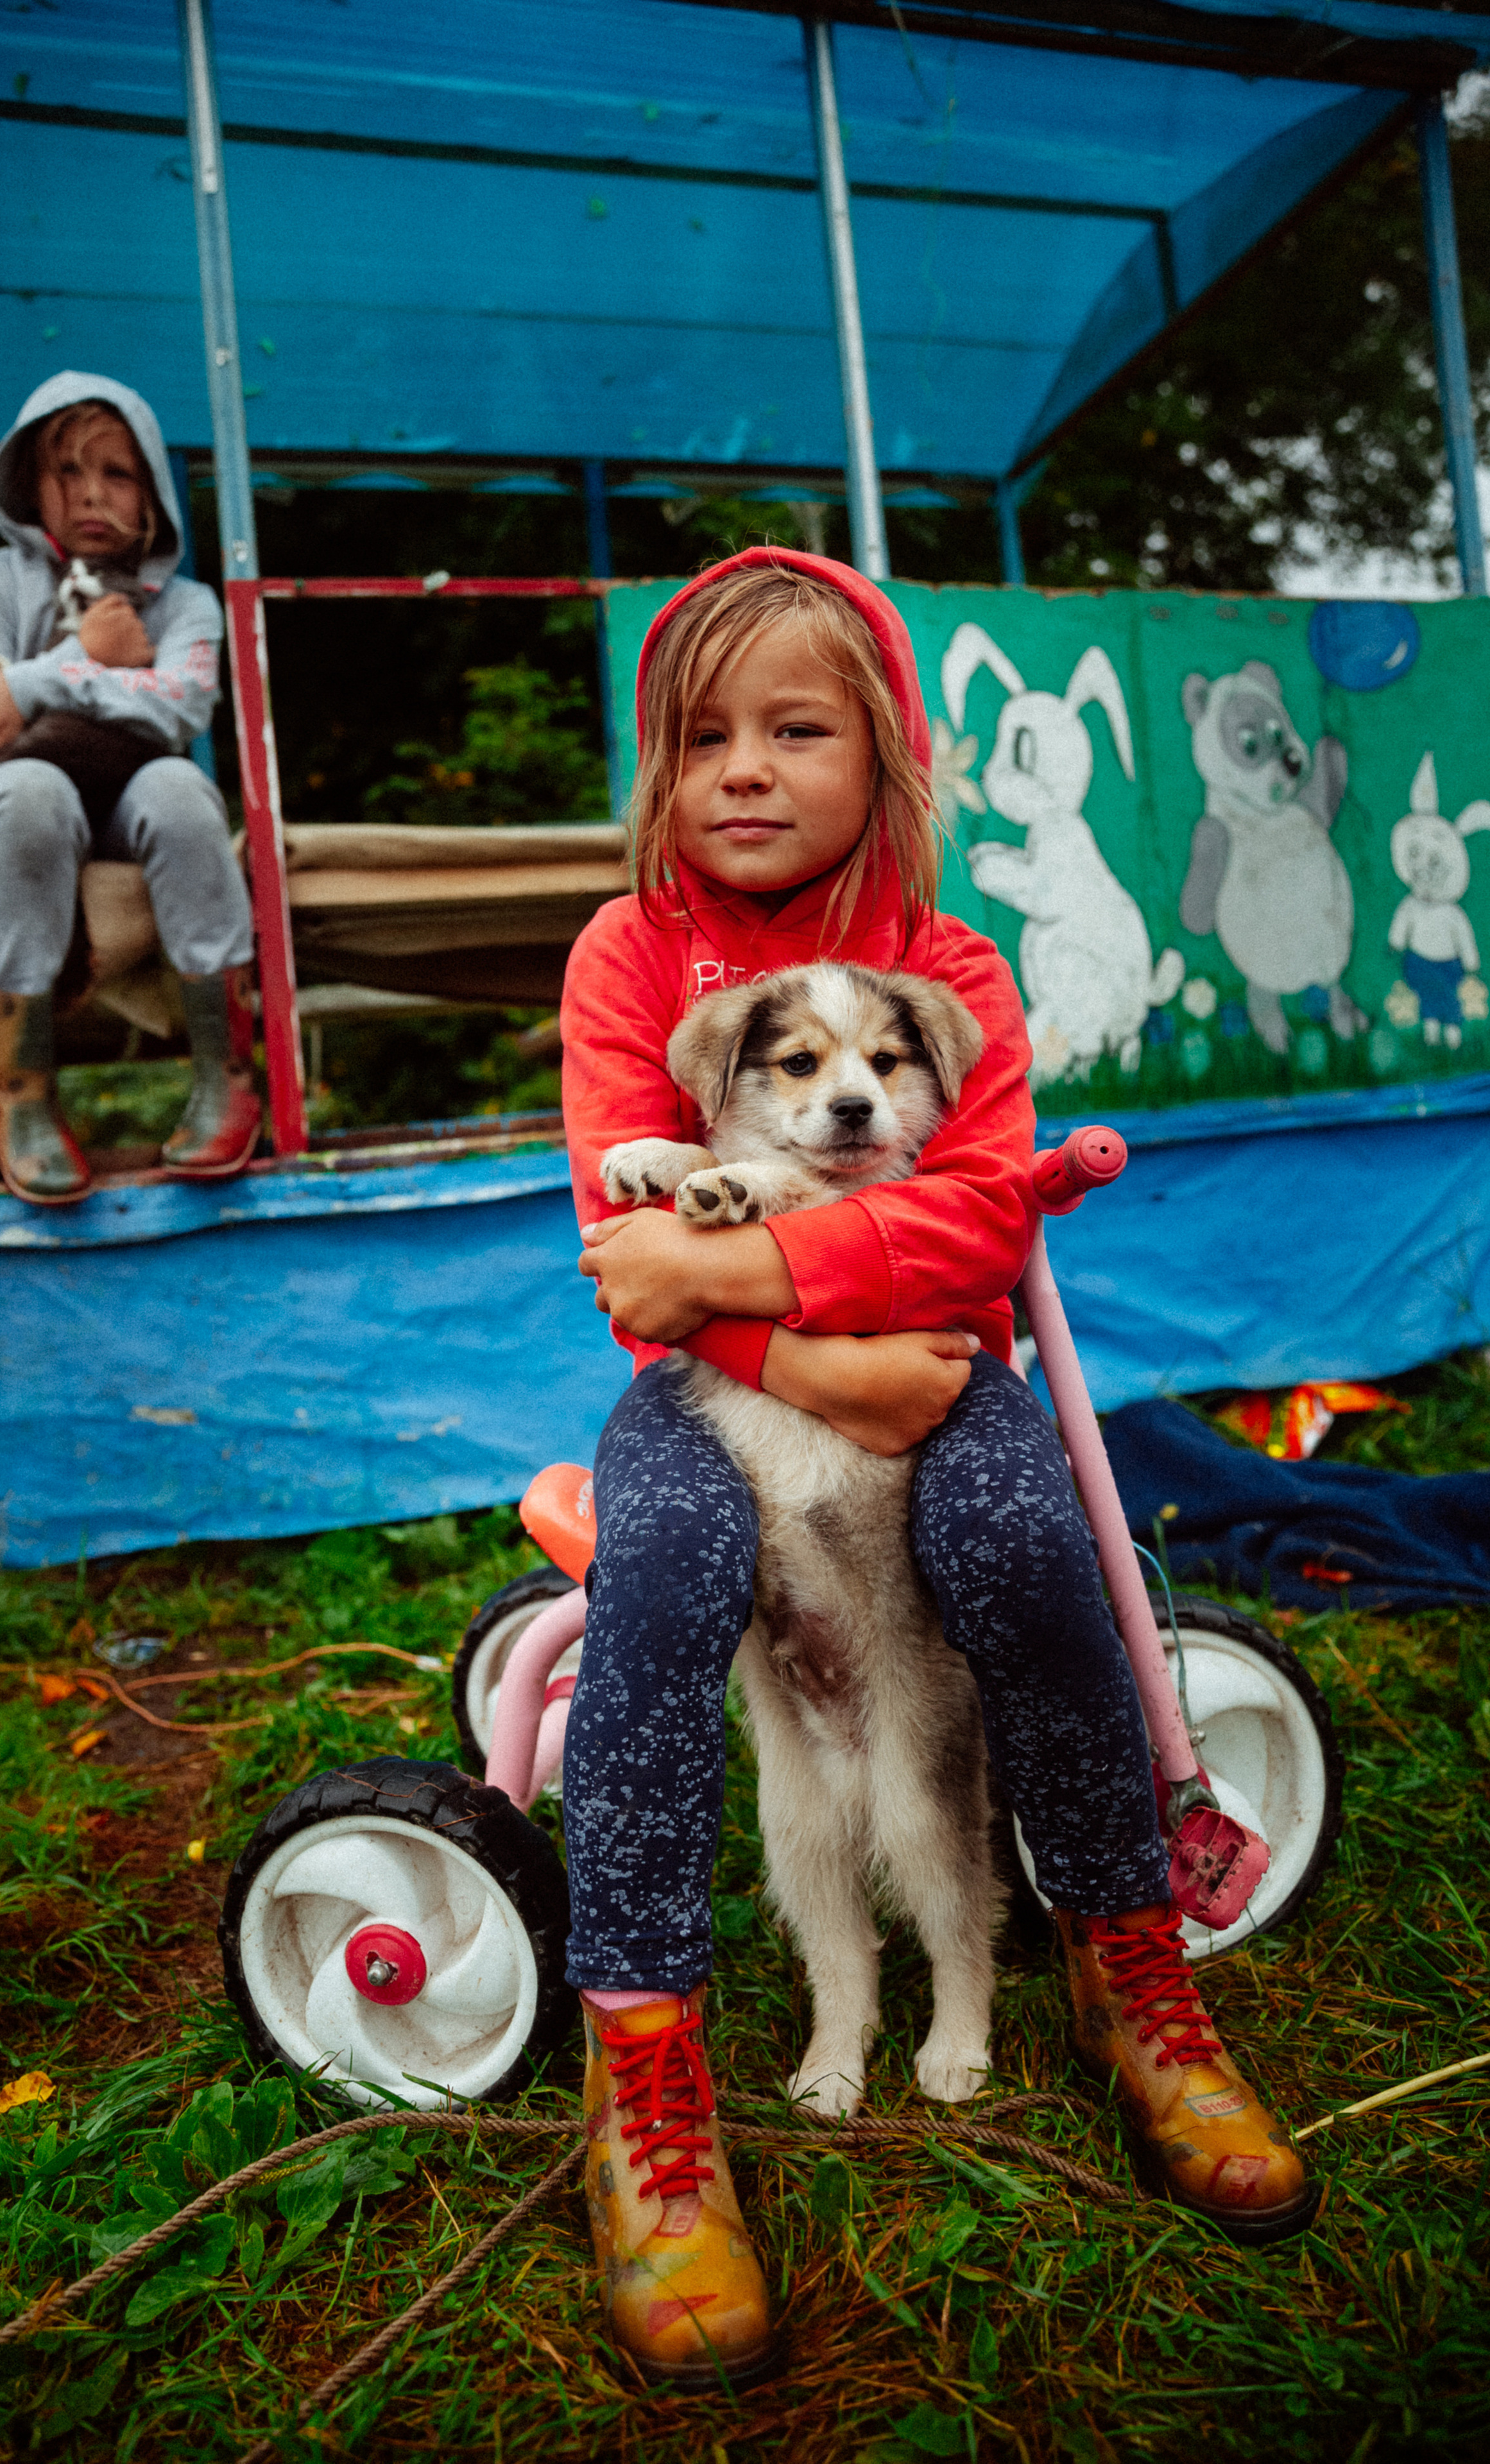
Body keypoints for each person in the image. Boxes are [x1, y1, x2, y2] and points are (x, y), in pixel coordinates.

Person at [560, 549, 1317, 2393]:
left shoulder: (950, 966)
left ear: (885, 760)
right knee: (654, 1577)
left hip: (934, 1364)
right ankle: (643, 2049)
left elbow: (974, 1226)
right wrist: (806, 1345)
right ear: (661, 771)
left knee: (1025, 1538)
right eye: (701, 736)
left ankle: (1128, 1953)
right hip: (732, 1392)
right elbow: (625, 1259)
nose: (741, 767)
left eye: (793, 728)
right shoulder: (631, 954)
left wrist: (740, 1274)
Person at [0, 372, 259, 1203]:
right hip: (13, 799)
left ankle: (226, 1070)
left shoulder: (183, 604)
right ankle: (25, 1095)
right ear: (26, 485)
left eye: (116, 473)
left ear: (150, 490)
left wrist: (33, 684)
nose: (91, 495)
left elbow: (178, 704)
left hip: (126, 800)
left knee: (180, 786)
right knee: (35, 787)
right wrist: (89, 658)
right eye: (67, 473)